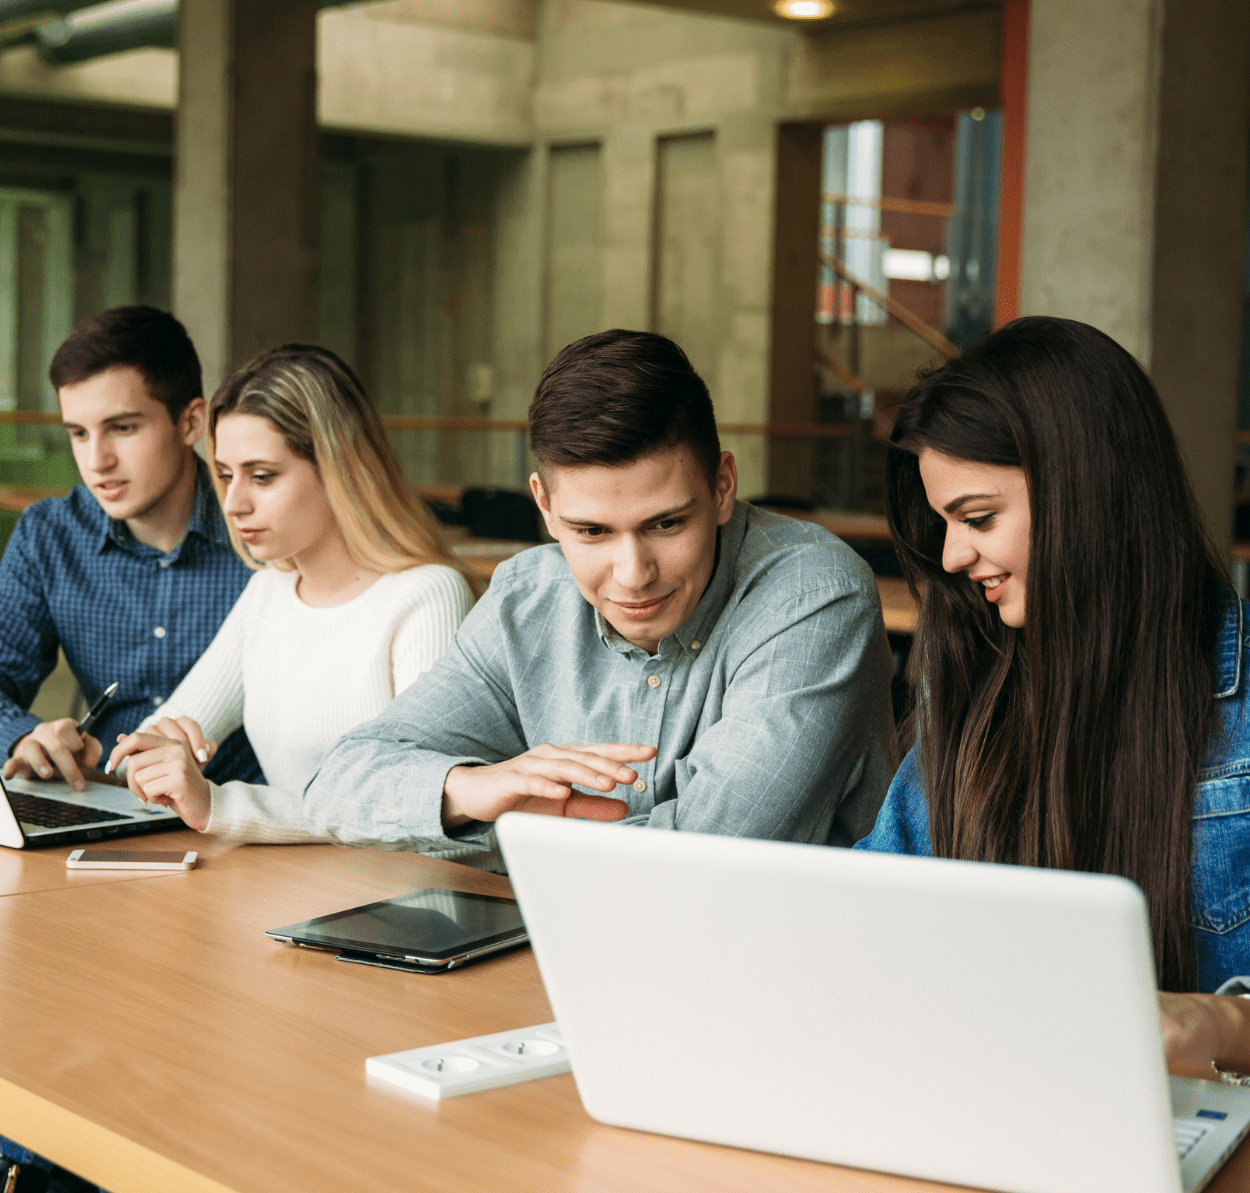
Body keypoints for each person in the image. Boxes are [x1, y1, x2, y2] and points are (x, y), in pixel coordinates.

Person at [856, 317, 1250, 1105]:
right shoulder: (979, 683)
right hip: (997, 1112)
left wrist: (1219, 1026)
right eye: (945, 524)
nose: (952, 558)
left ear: (1089, 493)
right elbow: (860, 916)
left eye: (978, 518)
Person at [303, 329, 896, 861]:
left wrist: (504, 828)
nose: (633, 574)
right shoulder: (524, 599)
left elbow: (713, 853)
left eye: (666, 524)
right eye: (592, 532)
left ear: (722, 487)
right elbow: (338, 783)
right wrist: (468, 789)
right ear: (545, 507)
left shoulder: (814, 598)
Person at [101, 345, 475, 841]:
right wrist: (152, 753)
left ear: (341, 469)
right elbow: (146, 750)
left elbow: (416, 809)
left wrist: (221, 803)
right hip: (299, 884)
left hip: (403, 900)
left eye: (262, 476)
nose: (233, 504)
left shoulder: (427, 596)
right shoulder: (269, 593)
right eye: (226, 476)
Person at [0, 306, 259, 795]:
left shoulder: (262, 535)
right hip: (103, 798)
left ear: (190, 422)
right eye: (78, 433)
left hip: (243, 822)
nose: (96, 461)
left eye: (123, 428)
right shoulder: (50, 535)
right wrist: (20, 737)